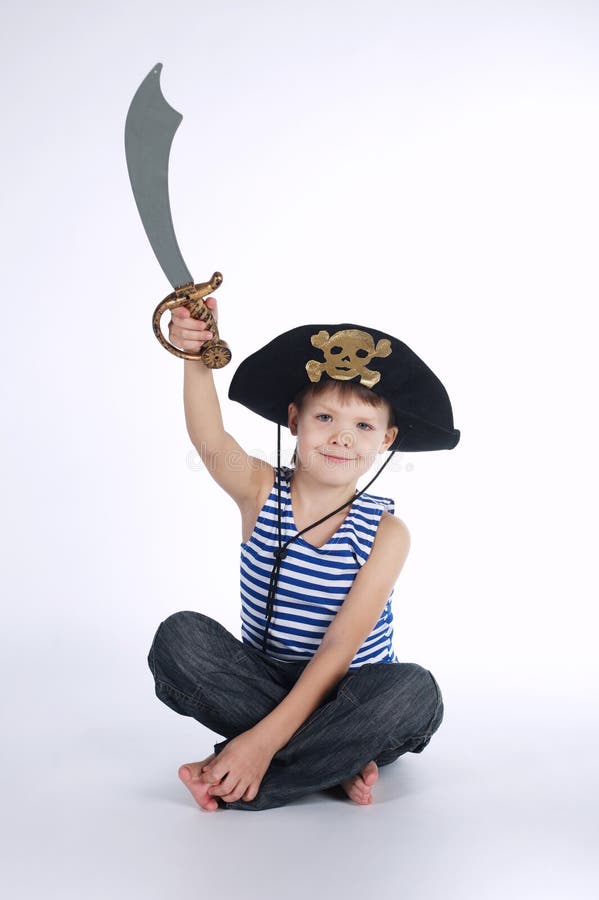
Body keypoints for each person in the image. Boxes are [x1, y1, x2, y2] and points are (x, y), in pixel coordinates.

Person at [147, 296, 460, 812]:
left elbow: (339, 648)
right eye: (325, 416)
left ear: (387, 439)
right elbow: (208, 436)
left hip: (352, 694)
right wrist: (195, 355)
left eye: (363, 426)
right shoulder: (258, 490)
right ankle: (331, 761)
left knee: (415, 692)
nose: (342, 437)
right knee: (178, 638)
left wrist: (260, 741)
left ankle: (251, 768)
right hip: (264, 682)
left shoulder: (387, 532)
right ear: (294, 420)